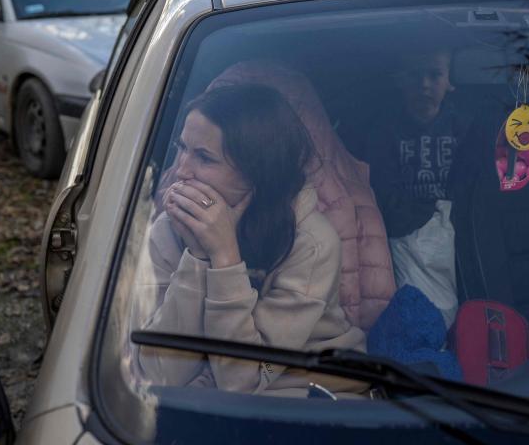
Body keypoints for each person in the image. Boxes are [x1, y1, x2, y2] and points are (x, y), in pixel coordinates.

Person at [136, 84, 367, 395]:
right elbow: (159, 375)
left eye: (204, 157)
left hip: (308, 389)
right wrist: (198, 257)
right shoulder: (169, 229)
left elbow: (243, 379)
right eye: (182, 148)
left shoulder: (311, 244)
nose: (181, 171)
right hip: (203, 396)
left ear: (255, 172)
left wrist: (225, 258)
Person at [365, 45, 469, 326]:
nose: (424, 84)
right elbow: (381, 192)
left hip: (458, 235)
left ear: (450, 83)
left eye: (434, 75)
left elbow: (472, 185)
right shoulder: (383, 130)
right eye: (414, 75)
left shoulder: (464, 127)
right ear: (399, 80)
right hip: (406, 235)